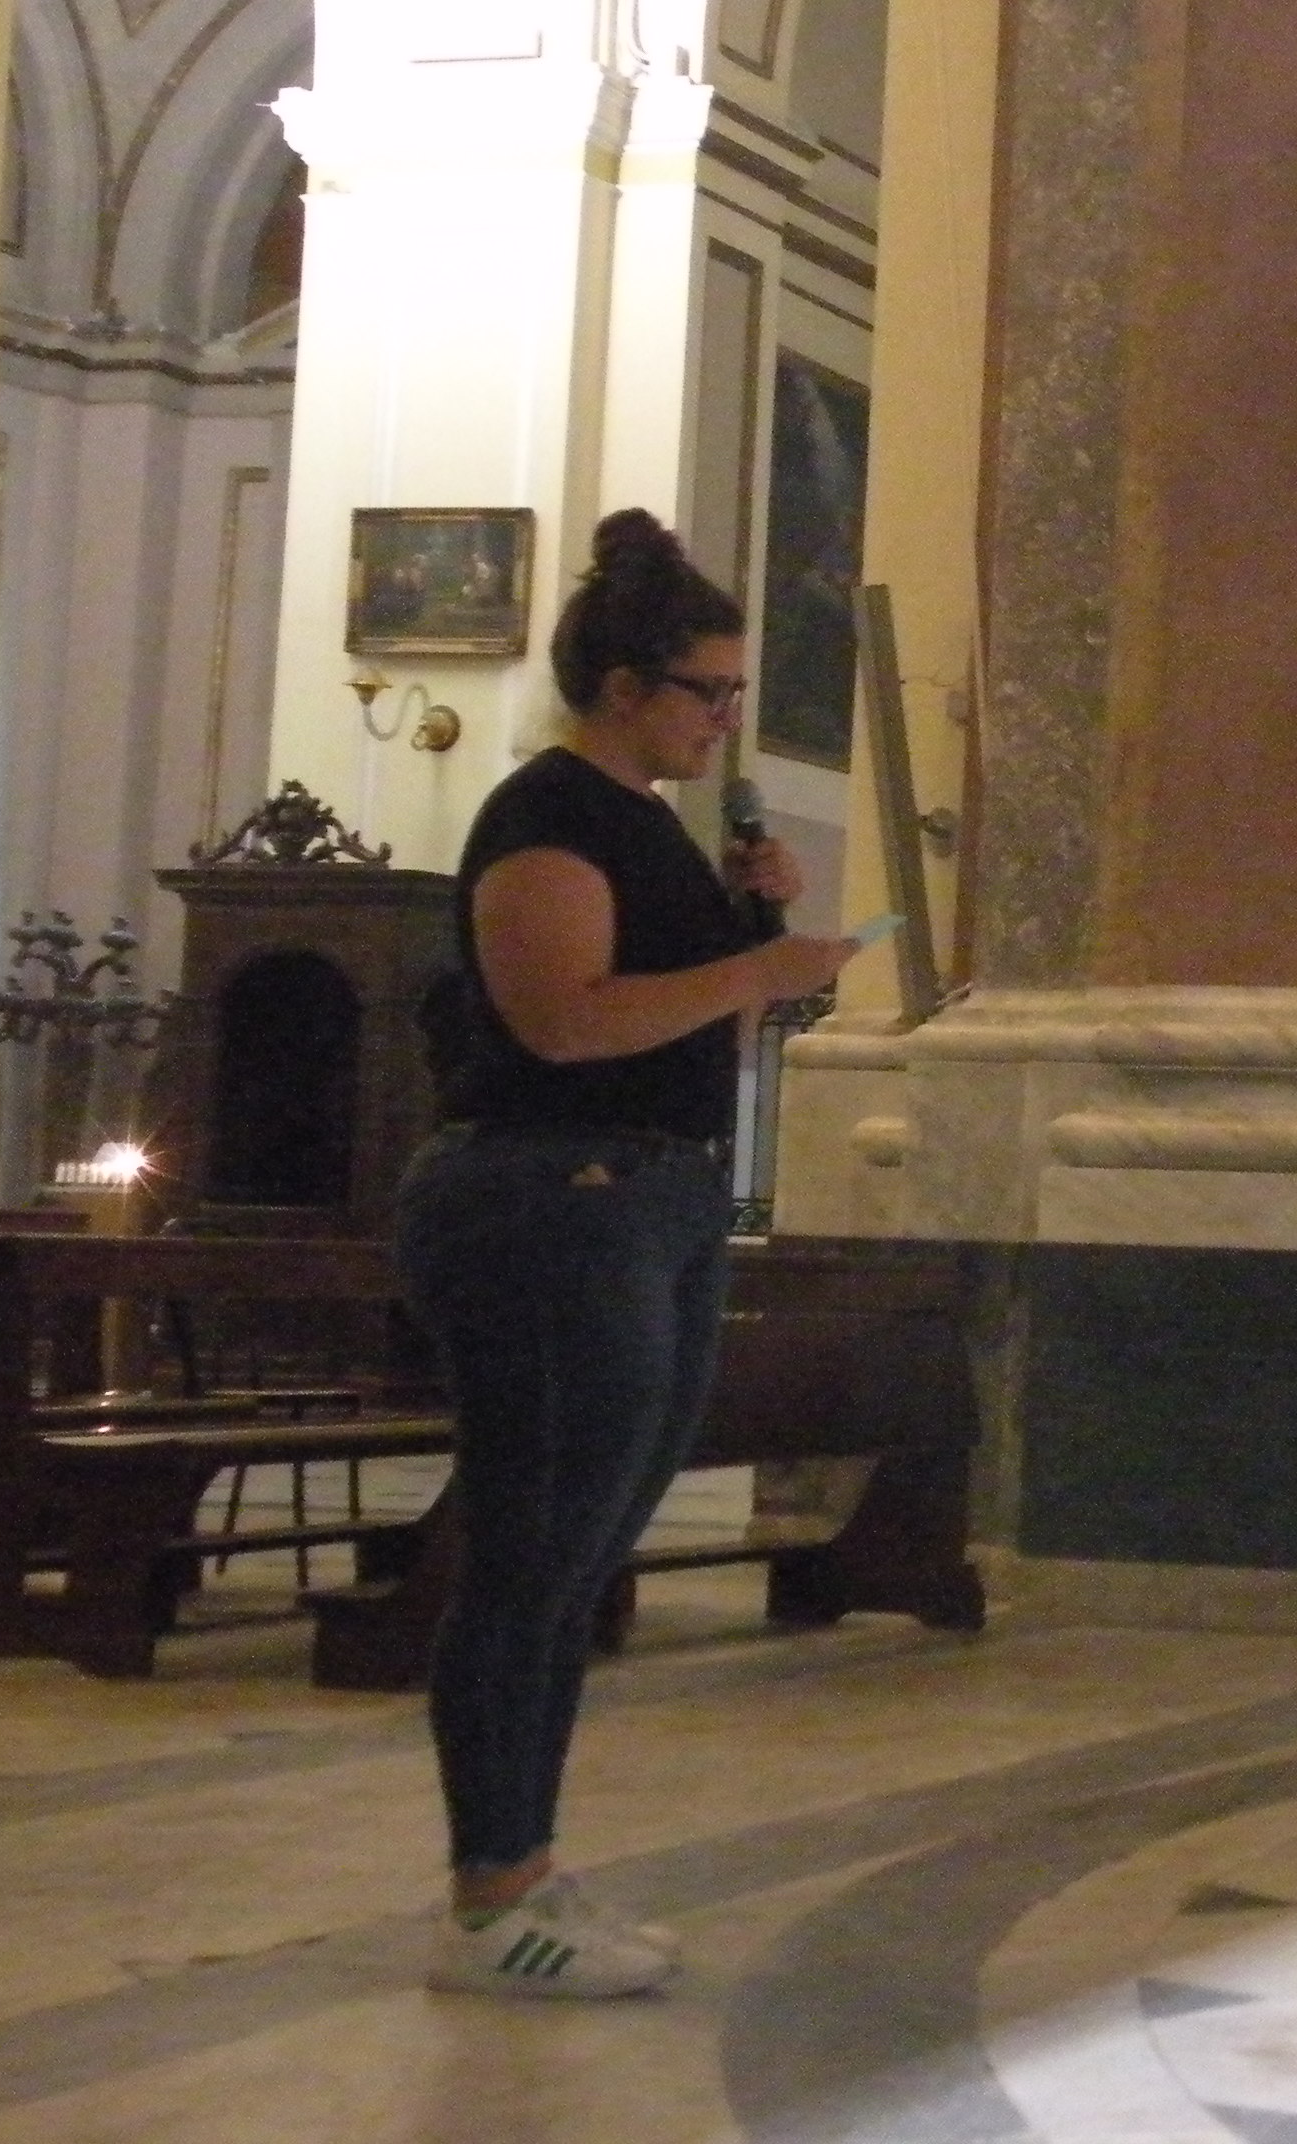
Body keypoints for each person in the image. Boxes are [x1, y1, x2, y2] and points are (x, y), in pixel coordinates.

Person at [404, 511, 852, 2000]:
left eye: (734, 692)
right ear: (621, 687)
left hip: (648, 1195)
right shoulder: (551, 818)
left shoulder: (649, 822)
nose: (727, 719)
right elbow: (561, 1023)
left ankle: (529, 1867)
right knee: (530, 1553)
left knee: (584, 1553)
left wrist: (761, 946)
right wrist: (754, 966)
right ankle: (489, 1897)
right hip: (549, 1199)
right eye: (707, 692)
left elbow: (676, 1025)